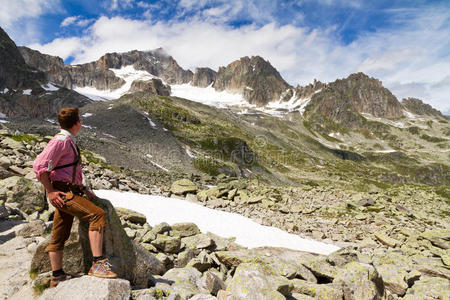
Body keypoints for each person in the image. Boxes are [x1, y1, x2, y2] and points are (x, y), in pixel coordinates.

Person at [33, 107, 117, 288]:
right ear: (77, 123)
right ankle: (98, 264)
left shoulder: (68, 140)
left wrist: (83, 188)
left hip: (70, 190)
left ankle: (57, 276)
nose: (81, 121)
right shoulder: (61, 141)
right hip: (64, 193)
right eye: (80, 118)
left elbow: (65, 170)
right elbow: (39, 166)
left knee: (59, 234)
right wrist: (51, 191)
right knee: (97, 215)